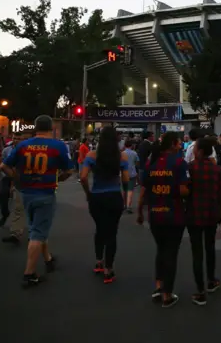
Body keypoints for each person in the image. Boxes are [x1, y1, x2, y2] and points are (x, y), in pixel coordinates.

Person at [1, 115, 72, 287]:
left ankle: (47, 258)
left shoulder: (23, 145)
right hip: (46, 192)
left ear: (35, 127)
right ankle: (30, 273)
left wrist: (17, 179)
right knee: (37, 233)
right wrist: (59, 178)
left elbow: (4, 166)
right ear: (51, 128)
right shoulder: (58, 146)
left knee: (37, 227)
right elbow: (69, 170)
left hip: (27, 192)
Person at [137, 132, 189, 308]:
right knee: (171, 253)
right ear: (173, 144)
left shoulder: (151, 163)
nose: (181, 144)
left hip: (155, 214)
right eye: (179, 142)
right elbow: (183, 191)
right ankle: (167, 294)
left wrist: (139, 211)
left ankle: (158, 286)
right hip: (174, 213)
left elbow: (143, 190)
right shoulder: (179, 163)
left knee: (160, 250)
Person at [79, 126, 130, 284]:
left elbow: (83, 177)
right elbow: (126, 179)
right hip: (114, 196)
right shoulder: (121, 157)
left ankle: (99, 261)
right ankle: (109, 269)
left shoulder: (92, 155)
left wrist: (88, 193)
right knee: (112, 233)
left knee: (100, 229)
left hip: (97, 197)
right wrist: (124, 193)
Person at [186, 138, 221, 305]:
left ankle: (200, 290)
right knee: (210, 247)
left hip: (194, 213)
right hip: (212, 213)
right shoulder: (217, 170)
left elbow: (184, 191)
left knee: (197, 252)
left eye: (195, 148)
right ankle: (211, 280)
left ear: (201, 151)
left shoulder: (190, 168)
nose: (194, 150)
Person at [2, 133, 29, 244]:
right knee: (18, 209)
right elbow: (4, 166)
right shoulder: (9, 150)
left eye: (19, 139)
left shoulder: (26, 150)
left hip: (30, 184)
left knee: (31, 210)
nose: (16, 140)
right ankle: (15, 234)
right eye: (15, 138)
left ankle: (34, 235)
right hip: (19, 183)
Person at [123, 139, 140, 214]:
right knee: (130, 190)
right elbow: (137, 163)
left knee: (124, 190)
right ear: (131, 145)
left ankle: (124, 204)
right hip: (132, 173)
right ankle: (128, 206)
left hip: (124, 174)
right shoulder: (134, 153)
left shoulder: (122, 153)